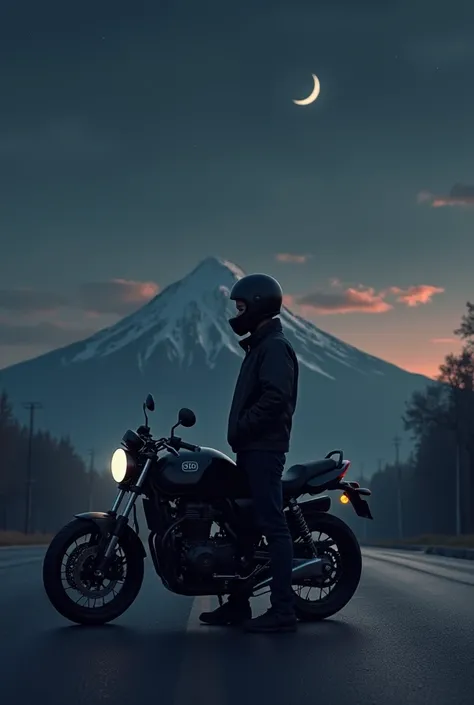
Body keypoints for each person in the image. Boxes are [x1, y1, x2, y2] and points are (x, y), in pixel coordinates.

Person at [199, 273, 299, 633]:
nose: (237, 312)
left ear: (257, 305)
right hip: (251, 448)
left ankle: (283, 611)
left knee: (273, 525)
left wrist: (243, 427)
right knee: (241, 527)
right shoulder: (259, 345)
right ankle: (238, 605)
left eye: (241, 306)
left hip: (264, 449)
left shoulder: (273, 348)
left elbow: (276, 397)